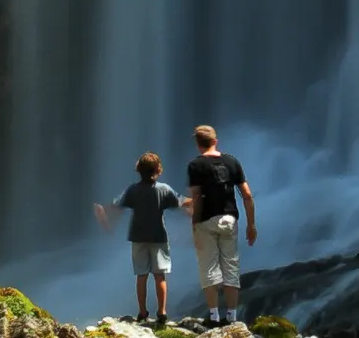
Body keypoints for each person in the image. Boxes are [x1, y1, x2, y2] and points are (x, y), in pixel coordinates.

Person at [95, 152, 187, 327]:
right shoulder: (164, 189)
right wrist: (195, 202)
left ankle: (143, 312)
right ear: (158, 169)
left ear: (138, 170)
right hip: (159, 237)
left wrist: (103, 211)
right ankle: (162, 312)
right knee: (160, 275)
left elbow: (117, 206)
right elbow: (180, 202)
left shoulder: (132, 190)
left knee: (141, 275)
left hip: (138, 237)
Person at [186, 125, 256, 325]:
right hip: (229, 219)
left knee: (208, 267)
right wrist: (251, 225)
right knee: (230, 266)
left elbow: (196, 197)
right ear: (216, 141)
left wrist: (194, 223)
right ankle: (232, 316)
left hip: (206, 220)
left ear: (198, 145)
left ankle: (215, 315)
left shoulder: (195, 165)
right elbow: (248, 195)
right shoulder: (232, 161)